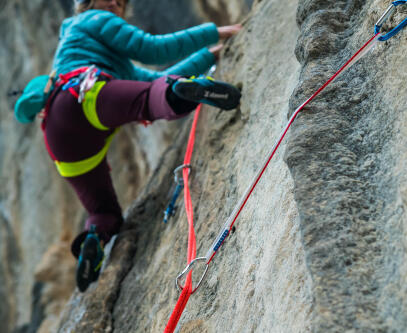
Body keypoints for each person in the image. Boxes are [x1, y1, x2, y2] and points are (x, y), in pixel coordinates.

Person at [14, 0, 242, 292]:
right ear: (86, 4)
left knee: (103, 212)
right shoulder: (94, 19)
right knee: (151, 99)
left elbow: (155, 76)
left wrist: (211, 53)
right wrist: (219, 32)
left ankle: (94, 240)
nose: (114, 4)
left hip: (62, 142)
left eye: (120, 2)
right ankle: (182, 92)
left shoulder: (95, 51)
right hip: (83, 95)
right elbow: (154, 49)